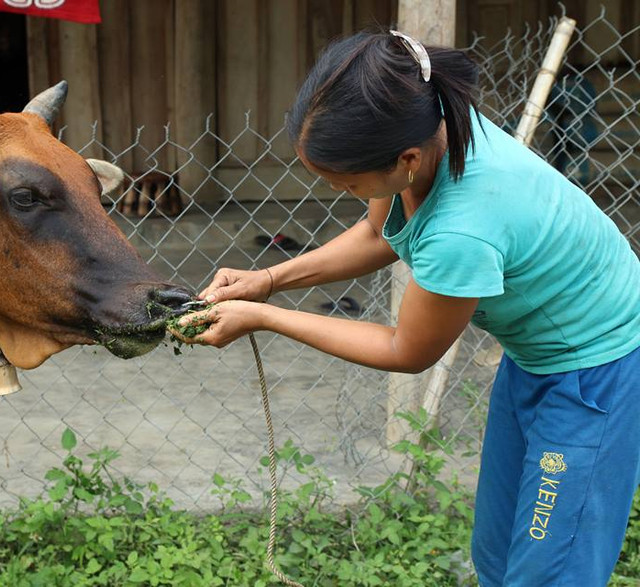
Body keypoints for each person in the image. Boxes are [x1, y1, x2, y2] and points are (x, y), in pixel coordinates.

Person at [169, 29, 640, 586]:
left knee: (550, 572)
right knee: (497, 554)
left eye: (348, 183)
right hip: (534, 358)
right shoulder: (431, 120)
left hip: (595, 377)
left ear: (406, 160)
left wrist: (264, 317)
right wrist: (268, 280)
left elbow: (406, 349)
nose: (345, 193)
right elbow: (378, 234)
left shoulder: (462, 228)